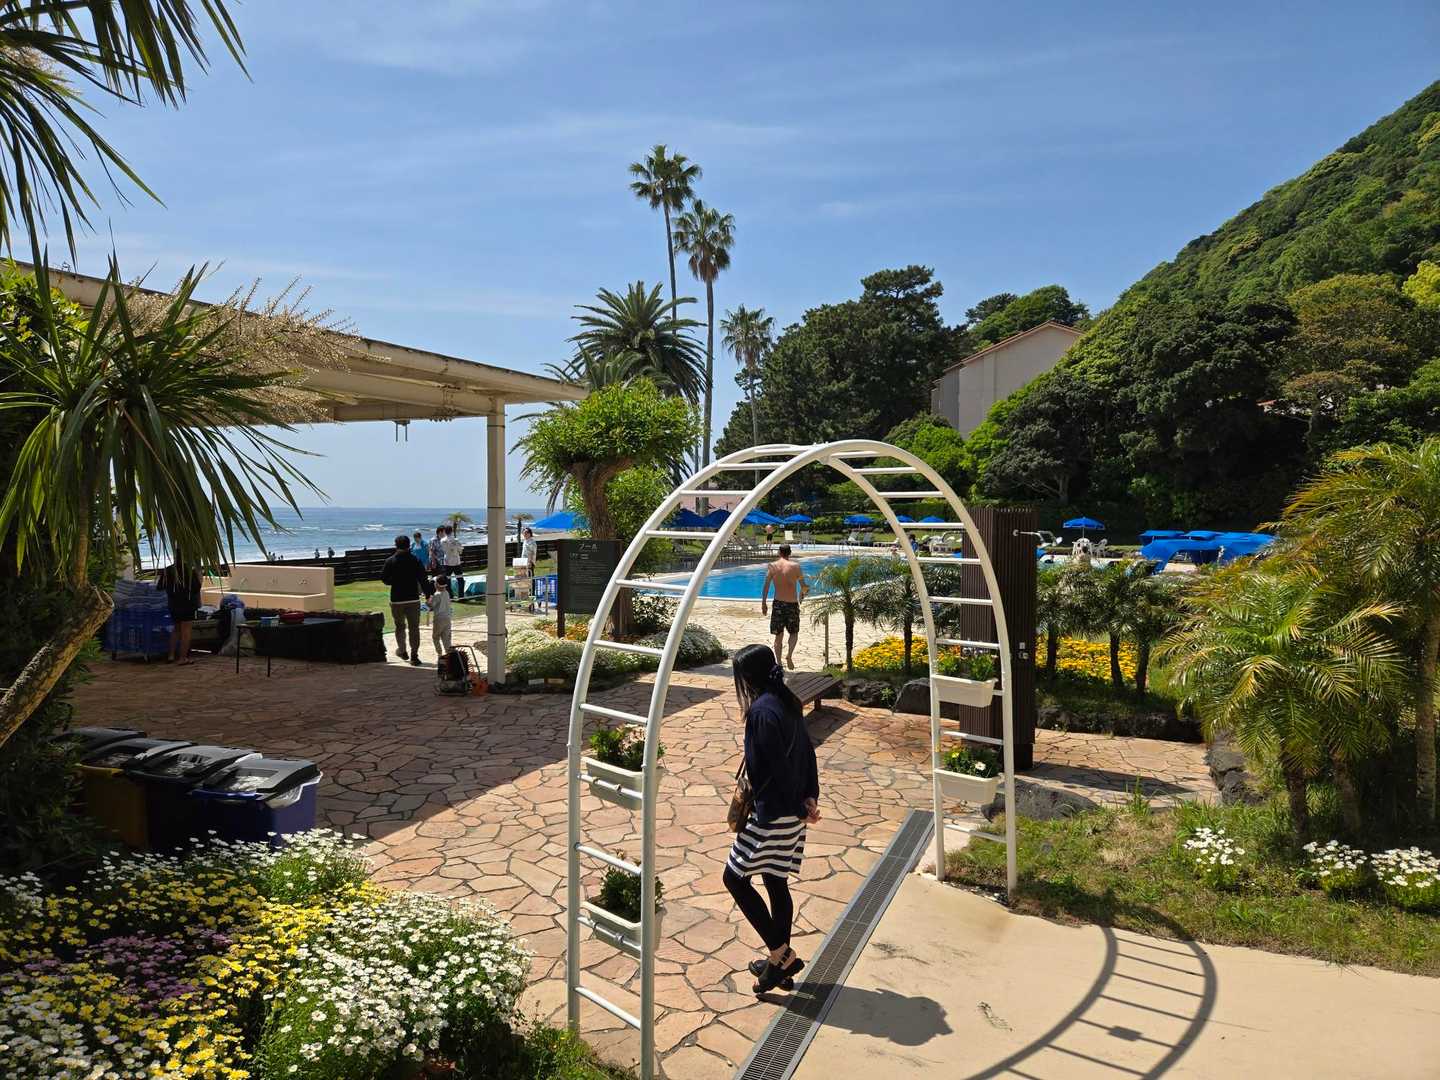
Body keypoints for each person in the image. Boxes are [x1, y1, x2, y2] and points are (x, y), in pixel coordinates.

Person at [723, 644, 820, 995]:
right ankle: (778, 966)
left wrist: (798, 804)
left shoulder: (762, 712)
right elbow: (807, 753)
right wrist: (810, 797)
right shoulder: (788, 701)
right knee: (775, 880)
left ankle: (781, 955)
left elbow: (777, 768)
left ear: (748, 677)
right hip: (792, 811)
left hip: (773, 813)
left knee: (734, 878)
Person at [381, 534, 430, 666]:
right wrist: (428, 594)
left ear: (396, 545)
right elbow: (423, 579)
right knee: (414, 628)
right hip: (413, 598)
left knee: (400, 626)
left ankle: (402, 650)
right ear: (409, 546)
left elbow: (384, 579)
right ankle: (414, 655)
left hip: (397, 599)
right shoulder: (415, 560)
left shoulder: (390, 561)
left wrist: (395, 581)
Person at [760, 545, 808, 671]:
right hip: (792, 604)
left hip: (778, 604)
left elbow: (766, 586)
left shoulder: (773, 566)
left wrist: (763, 603)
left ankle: (779, 662)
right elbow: (804, 586)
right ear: (790, 553)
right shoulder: (796, 567)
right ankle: (789, 655)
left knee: (778, 635)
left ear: (779, 552)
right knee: (794, 633)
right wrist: (802, 595)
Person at [156, 557, 201, 665]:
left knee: (176, 629)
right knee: (186, 630)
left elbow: (160, 586)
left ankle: (171, 655)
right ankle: (183, 657)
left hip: (174, 603)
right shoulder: (189, 570)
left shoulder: (168, 570)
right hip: (188, 604)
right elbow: (196, 587)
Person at [429, 575, 453, 658]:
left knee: (435, 637)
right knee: (446, 637)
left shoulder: (437, 594)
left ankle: (439, 654)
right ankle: (449, 654)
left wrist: (428, 602)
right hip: (447, 618)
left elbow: (431, 606)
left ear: (437, 584)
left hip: (439, 618)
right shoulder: (447, 593)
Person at [440, 525, 464, 597]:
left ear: (445, 531)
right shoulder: (456, 540)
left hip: (447, 561)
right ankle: (461, 596)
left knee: (447, 579)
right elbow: (460, 550)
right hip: (456, 562)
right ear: (452, 531)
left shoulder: (442, 540)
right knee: (460, 580)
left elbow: (443, 550)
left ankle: (450, 595)